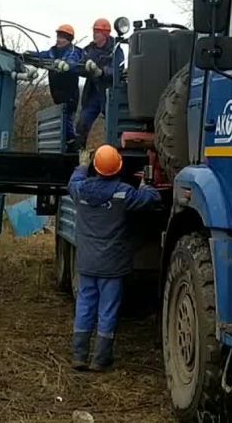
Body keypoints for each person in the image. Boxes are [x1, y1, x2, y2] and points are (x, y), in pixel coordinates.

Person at [68, 145, 160, 371]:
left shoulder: (80, 190)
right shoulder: (123, 193)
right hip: (113, 265)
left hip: (87, 262)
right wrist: (146, 183)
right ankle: (101, 359)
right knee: (107, 310)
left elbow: (73, 182)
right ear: (119, 167)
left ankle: (79, 355)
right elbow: (152, 199)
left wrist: (81, 165)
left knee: (85, 306)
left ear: (95, 168)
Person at [27, 24, 84, 150]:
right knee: (61, 123)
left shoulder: (74, 52)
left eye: (62, 37)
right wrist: (27, 54)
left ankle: (75, 147)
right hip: (57, 95)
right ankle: (69, 145)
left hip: (70, 96)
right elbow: (41, 55)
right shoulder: (52, 52)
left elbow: (75, 62)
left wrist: (66, 65)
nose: (58, 39)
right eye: (58, 36)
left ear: (68, 39)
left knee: (67, 121)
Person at [74, 18, 124, 148]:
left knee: (115, 127)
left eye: (98, 31)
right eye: (94, 31)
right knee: (82, 125)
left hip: (109, 94)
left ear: (106, 34)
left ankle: (114, 156)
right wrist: (77, 67)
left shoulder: (116, 49)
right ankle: (79, 155)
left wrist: (102, 72)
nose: (94, 34)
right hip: (92, 94)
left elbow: (118, 70)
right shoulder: (89, 50)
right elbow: (79, 65)